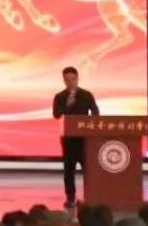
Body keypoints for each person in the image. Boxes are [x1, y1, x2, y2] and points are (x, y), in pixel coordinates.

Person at [52, 65, 99, 208]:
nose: (70, 82)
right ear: (63, 80)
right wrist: (68, 103)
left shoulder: (86, 94)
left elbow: (95, 111)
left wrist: (92, 123)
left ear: (77, 78)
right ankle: (71, 198)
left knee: (89, 170)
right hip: (68, 140)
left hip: (85, 139)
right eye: (67, 80)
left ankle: (91, 197)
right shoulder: (60, 97)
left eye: (73, 79)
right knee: (69, 171)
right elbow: (56, 114)